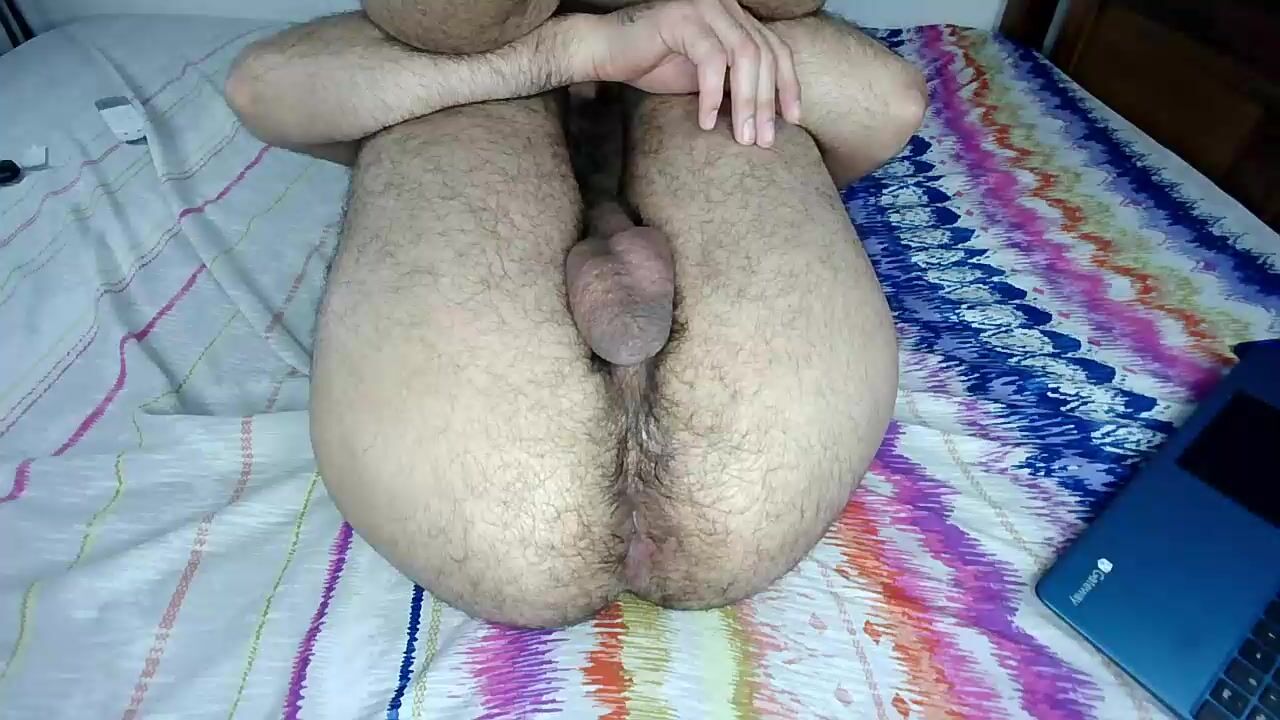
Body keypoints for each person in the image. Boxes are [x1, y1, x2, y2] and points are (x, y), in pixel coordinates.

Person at [224, 0, 925, 628]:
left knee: (714, 93)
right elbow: (264, 89)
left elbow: (889, 103)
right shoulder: (434, 28)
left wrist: (677, 34)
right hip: (490, 508)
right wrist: (579, 48)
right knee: (464, 81)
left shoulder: (733, 22)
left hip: (749, 502)